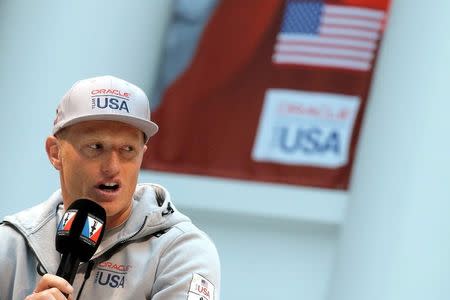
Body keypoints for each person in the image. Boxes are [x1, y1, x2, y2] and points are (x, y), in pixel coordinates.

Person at [0, 75, 220, 300]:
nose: (112, 167)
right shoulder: (10, 242)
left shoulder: (182, 251)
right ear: (55, 152)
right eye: (95, 147)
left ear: (142, 155)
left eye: (127, 150)